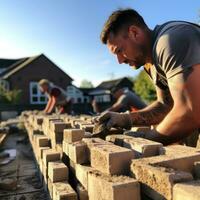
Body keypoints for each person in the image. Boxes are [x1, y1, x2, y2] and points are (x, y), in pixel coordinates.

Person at [95, 8, 200, 145]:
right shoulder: (150, 63)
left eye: (119, 51)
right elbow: (165, 105)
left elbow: (190, 111)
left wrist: (145, 141)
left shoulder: (170, 41)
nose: (120, 61)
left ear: (134, 33)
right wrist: (126, 119)